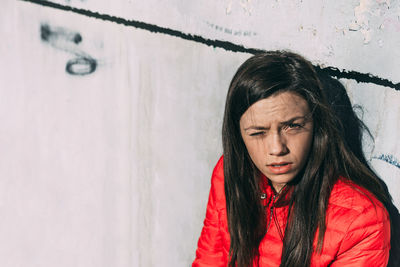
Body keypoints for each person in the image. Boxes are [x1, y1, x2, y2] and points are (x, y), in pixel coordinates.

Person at [192, 51, 399, 267]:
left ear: (317, 127)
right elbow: (210, 260)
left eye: (292, 126)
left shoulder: (361, 220)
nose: (276, 148)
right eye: (257, 132)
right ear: (238, 136)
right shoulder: (230, 172)